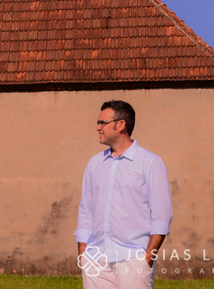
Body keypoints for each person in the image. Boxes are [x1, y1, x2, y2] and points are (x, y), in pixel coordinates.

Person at [76, 100, 172, 289]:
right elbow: (85, 211)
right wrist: (83, 252)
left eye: (102, 123)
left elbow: (162, 216)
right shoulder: (94, 164)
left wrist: (147, 258)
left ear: (121, 125)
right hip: (95, 259)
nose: (98, 127)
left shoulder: (150, 163)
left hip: (133, 260)